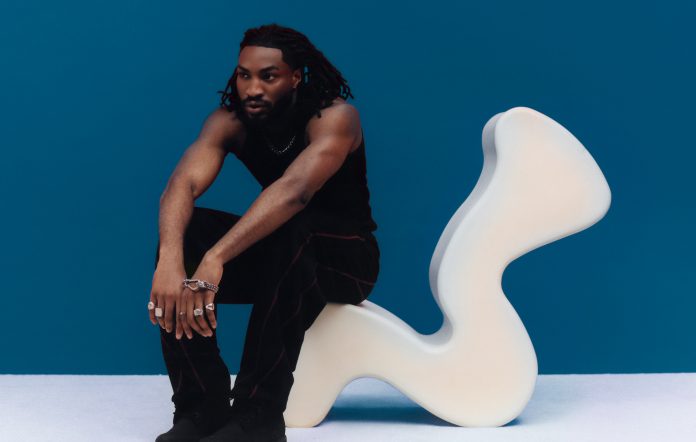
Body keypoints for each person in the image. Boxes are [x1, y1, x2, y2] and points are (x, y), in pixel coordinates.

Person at [148, 23, 380, 442]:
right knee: (189, 230)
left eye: (268, 76)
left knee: (296, 228)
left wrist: (215, 259)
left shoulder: (334, 117)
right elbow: (181, 185)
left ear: (295, 76)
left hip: (348, 260)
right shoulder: (229, 121)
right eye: (244, 75)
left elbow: (296, 192)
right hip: (283, 257)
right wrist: (170, 260)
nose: (252, 88)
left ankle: (259, 415)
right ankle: (202, 407)